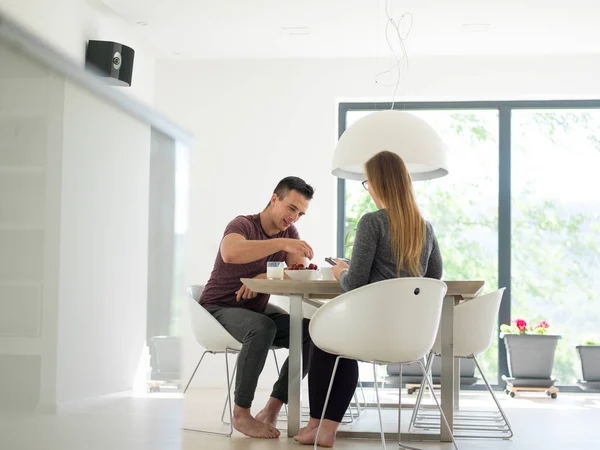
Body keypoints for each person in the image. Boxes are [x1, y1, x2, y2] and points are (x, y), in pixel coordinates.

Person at [294, 151, 443, 447]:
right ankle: (324, 429)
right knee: (338, 342)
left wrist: (340, 272)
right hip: (412, 338)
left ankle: (319, 427)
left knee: (324, 338)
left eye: (367, 182)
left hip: (373, 332)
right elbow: (433, 279)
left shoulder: (372, 222)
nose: (368, 188)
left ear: (378, 184)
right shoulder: (425, 227)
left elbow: (355, 283)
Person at [199, 176, 316, 439]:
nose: (294, 218)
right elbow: (231, 253)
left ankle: (272, 408)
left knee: (310, 332)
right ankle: (241, 414)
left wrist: (263, 280)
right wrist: (281, 244)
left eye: (300, 213)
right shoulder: (243, 224)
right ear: (275, 198)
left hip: (254, 310)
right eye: (291, 208)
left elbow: (298, 272)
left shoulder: (290, 233)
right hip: (218, 308)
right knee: (263, 327)